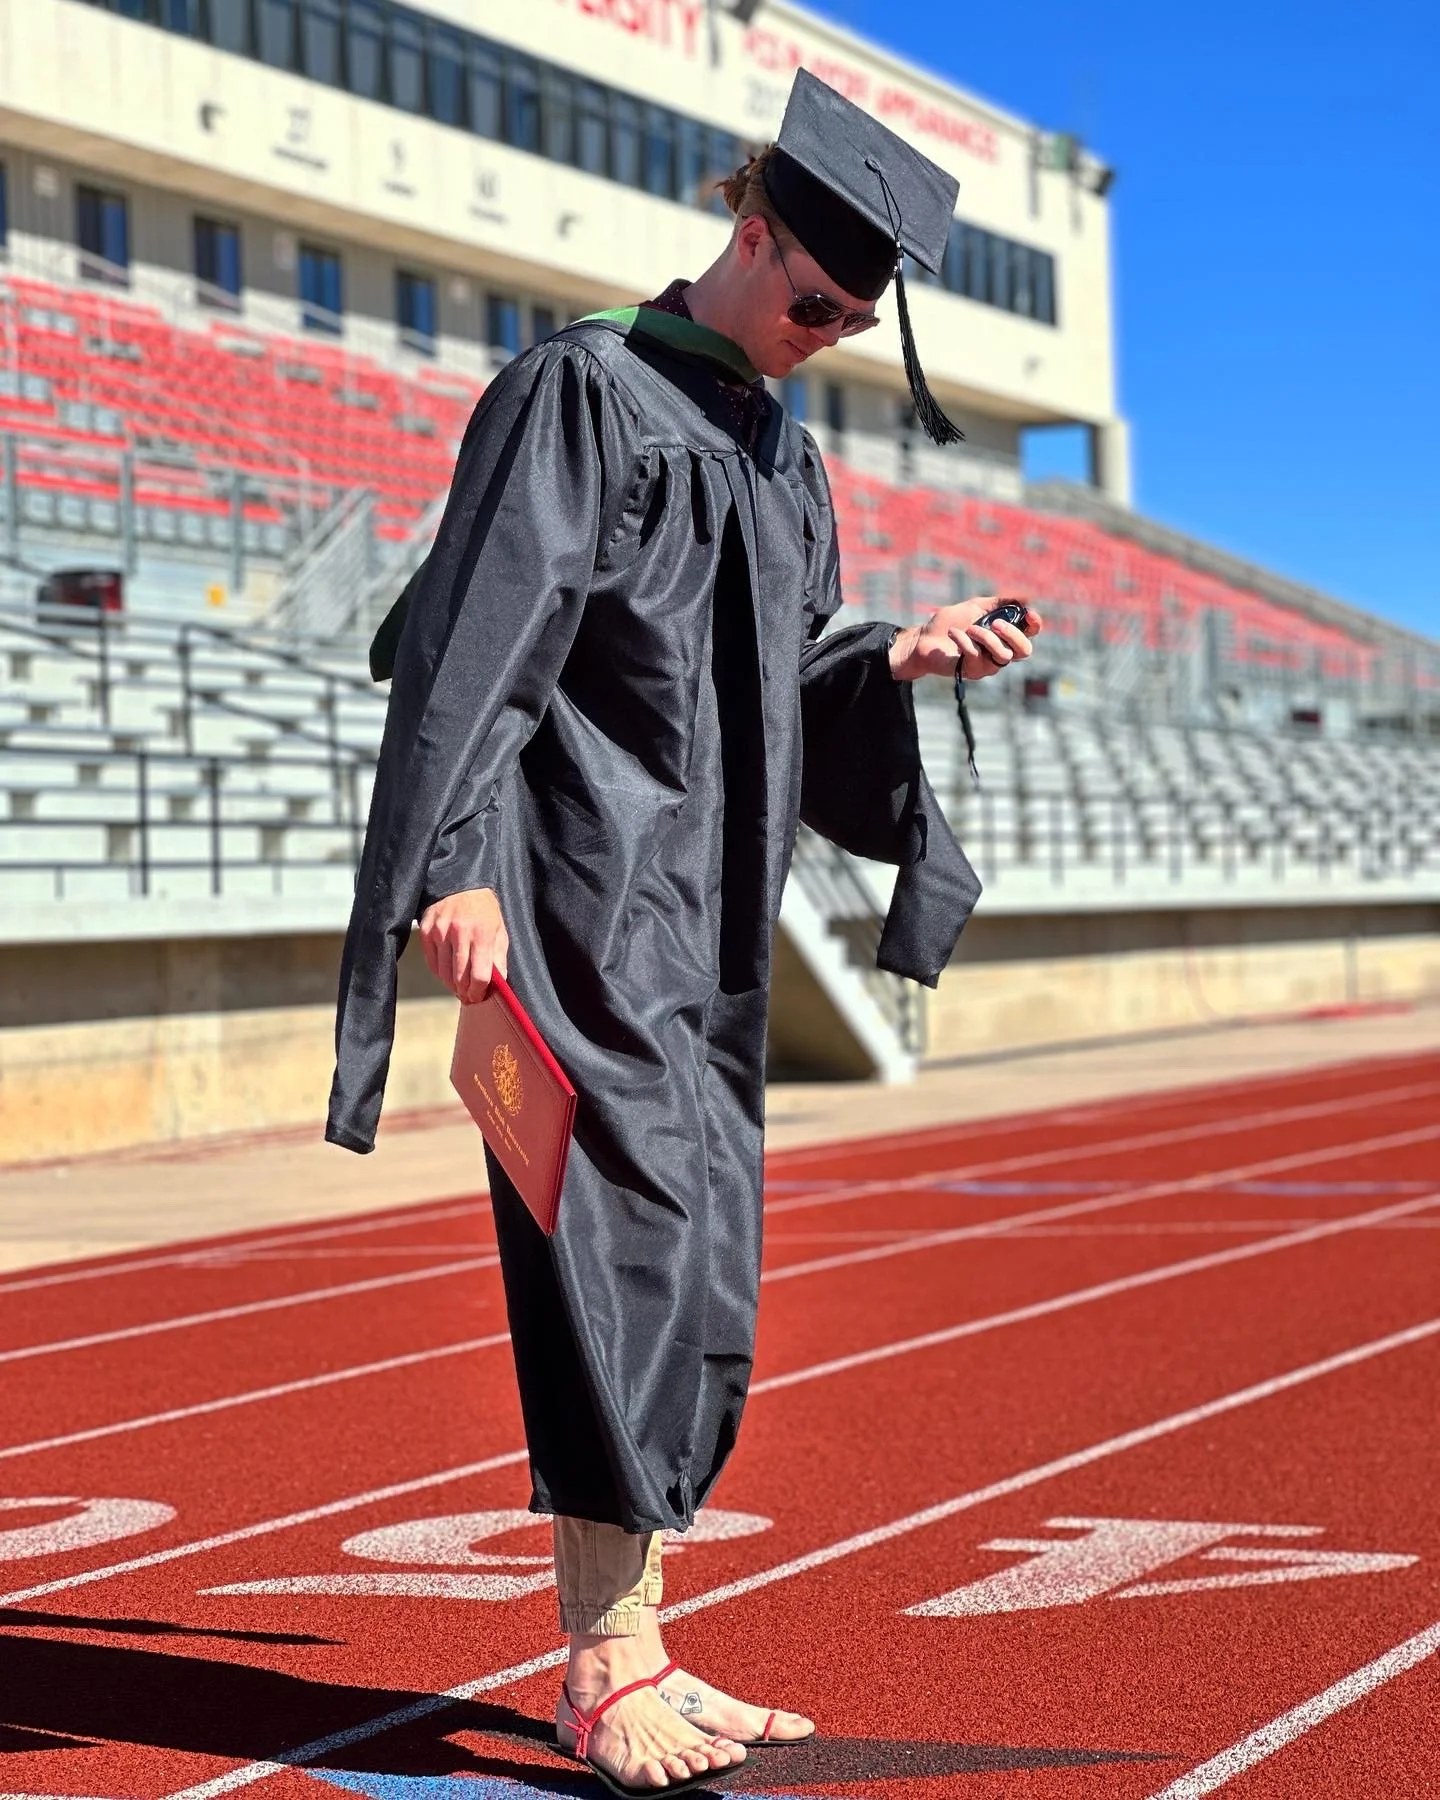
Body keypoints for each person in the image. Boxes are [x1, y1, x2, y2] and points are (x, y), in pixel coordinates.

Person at [328, 70, 1039, 1800]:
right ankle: (600, 1666)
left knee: (692, 1262)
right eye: (811, 299)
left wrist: (898, 658)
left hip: (709, 917)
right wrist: (459, 864)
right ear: (749, 230)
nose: (823, 335)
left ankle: (633, 1640)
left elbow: (782, 680)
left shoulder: (776, 449)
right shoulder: (583, 392)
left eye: (851, 320)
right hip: (573, 893)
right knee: (611, 1256)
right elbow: (477, 649)